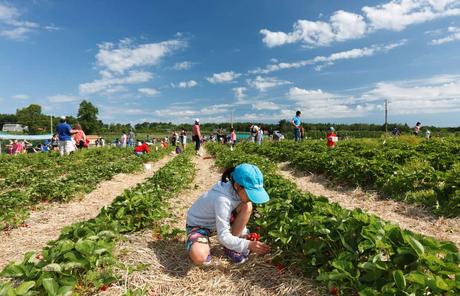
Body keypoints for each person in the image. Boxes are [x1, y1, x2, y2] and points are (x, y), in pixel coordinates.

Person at [186, 163, 271, 265]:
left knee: (247, 206)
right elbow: (223, 236)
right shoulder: (222, 200)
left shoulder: (236, 191)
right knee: (200, 257)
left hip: (217, 223)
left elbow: (236, 217)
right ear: (237, 186)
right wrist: (248, 244)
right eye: (250, 193)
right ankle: (199, 241)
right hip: (199, 226)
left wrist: (243, 234)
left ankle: (229, 247)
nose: (251, 197)